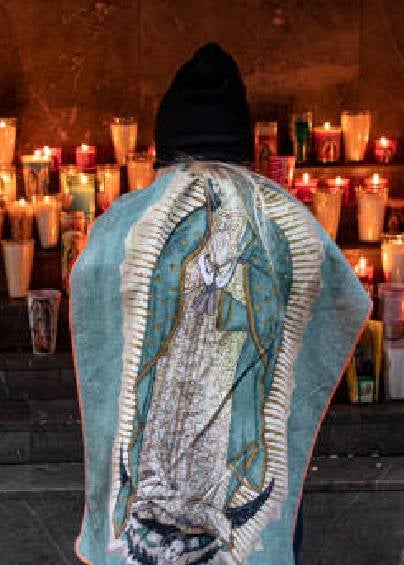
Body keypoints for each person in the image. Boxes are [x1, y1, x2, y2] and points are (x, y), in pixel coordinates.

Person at [70, 43, 371, 564]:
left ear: (165, 144)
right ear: (244, 145)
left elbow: (92, 281)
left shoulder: (127, 219)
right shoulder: (289, 221)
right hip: (218, 416)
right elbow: (342, 297)